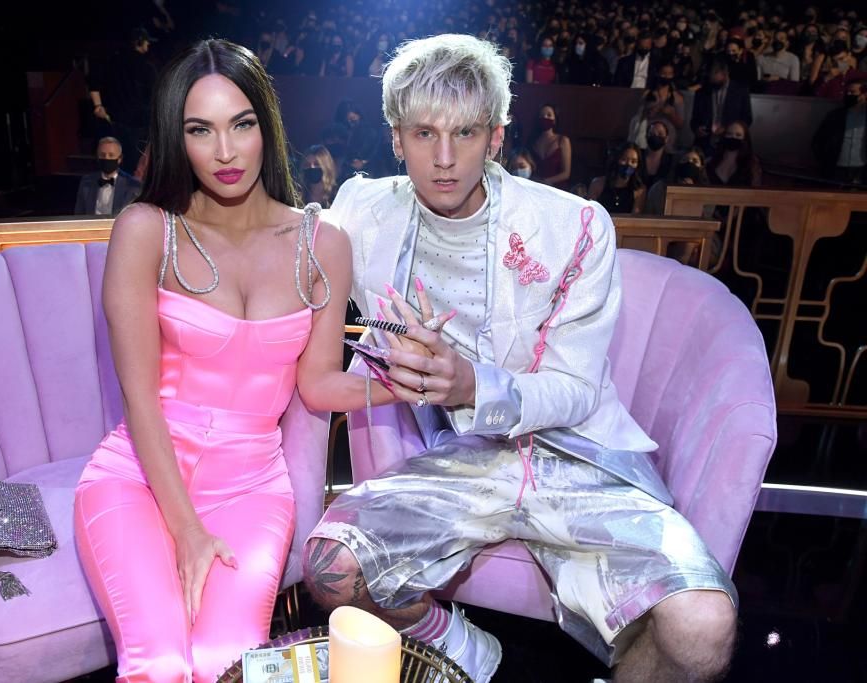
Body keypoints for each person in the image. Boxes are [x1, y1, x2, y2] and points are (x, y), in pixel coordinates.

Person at [304, 34, 737, 683]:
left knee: (703, 629)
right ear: (396, 138)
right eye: (424, 134)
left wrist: (472, 386)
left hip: (577, 453)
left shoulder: (575, 226)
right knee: (329, 569)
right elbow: (283, 245)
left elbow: (575, 388)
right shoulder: (363, 211)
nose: (444, 158)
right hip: (463, 457)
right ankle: (460, 646)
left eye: (465, 133)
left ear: (497, 137)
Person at [73, 39, 368, 682]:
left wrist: (402, 382)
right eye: (200, 130)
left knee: (224, 664)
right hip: (140, 479)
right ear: (176, 139)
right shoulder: (146, 229)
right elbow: (140, 402)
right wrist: (186, 531)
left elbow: (319, 385)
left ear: (268, 125)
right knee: (159, 662)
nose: (226, 152)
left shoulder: (323, 243)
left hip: (252, 489)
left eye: (242, 124)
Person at [88, 26, 158, 173]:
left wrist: (98, 106)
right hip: (137, 124)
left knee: (112, 162)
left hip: (112, 120)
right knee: (134, 164)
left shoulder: (111, 62)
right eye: (146, 41)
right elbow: (154, 96)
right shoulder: (147, 67)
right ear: (139, 41)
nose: (148, 44)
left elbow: (93, 84)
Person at [691, 57, 752, 155]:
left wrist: (728, 129)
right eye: (710, 77)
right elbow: (694, 119)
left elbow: (747, 118)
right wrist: (697, 129)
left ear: (725, 73)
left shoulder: (740, 91)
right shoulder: (701, 92)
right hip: (704, 144)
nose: (711, 80)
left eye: (714, 76)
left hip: (731, 145)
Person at [811, 79, 866, 184]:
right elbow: (818, 141)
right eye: (847, 92)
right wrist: (825, 161)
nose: (849, 95)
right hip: (836, 168)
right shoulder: (835, 115)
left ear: (863, 95)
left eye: (853, 92)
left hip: (861, 169)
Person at [74, 137, 141, 216]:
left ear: (120, 159)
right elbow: (78, 215)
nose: (106, 158)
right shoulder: (86, 181)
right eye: (102, 155)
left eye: (111, 155)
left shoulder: (132, 185)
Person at [589, 142, 646, 214]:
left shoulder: (640, 190)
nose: (629, 164)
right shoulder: (597, 184)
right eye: (624, 159)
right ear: (617, 159)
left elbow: (635, 217)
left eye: (633, 161)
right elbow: (590, 213)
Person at [707, 121, 762, 187]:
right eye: (729, 134)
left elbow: (756, 189)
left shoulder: (751, 163)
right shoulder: (712, 159)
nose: (733, 137)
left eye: (738, 135)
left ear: (744, 139)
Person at [530, 104, 571, 188]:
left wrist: (546, 181)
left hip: (557, 188)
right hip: (536, 187)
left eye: (549, 115)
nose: (545, 117)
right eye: (542, 115)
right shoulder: (533, 141)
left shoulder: (563, 140)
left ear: (555, 120)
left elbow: (566, 173)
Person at [639, 121, 675, 189]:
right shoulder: (638, 155)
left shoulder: (671, 161)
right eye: (651, 134)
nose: (655, 136)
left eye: (660, 134)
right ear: (646, 136)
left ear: (666, 138)